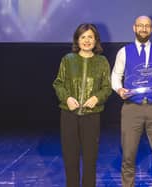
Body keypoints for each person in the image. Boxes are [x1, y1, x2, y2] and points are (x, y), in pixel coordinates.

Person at [111, 15, 152, 187]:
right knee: (128, 156)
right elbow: (116, 76)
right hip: (132, 108)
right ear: (134, 28)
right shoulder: (123, 52)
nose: (143, 29)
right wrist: (119, 89)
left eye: (147, 26)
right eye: (140, 25)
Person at [53, 23, 111, 187]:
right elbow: (58, 84)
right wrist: (67, 99)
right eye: (83, 37)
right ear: (77, 40)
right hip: (69, 116)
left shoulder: (102, 61)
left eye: (90, 37)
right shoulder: (68, 60)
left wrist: (96, 98)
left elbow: (107, 87)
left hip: (91, 117)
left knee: (90, 160)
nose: (86, 40)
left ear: (96, 40)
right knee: (70, 159)